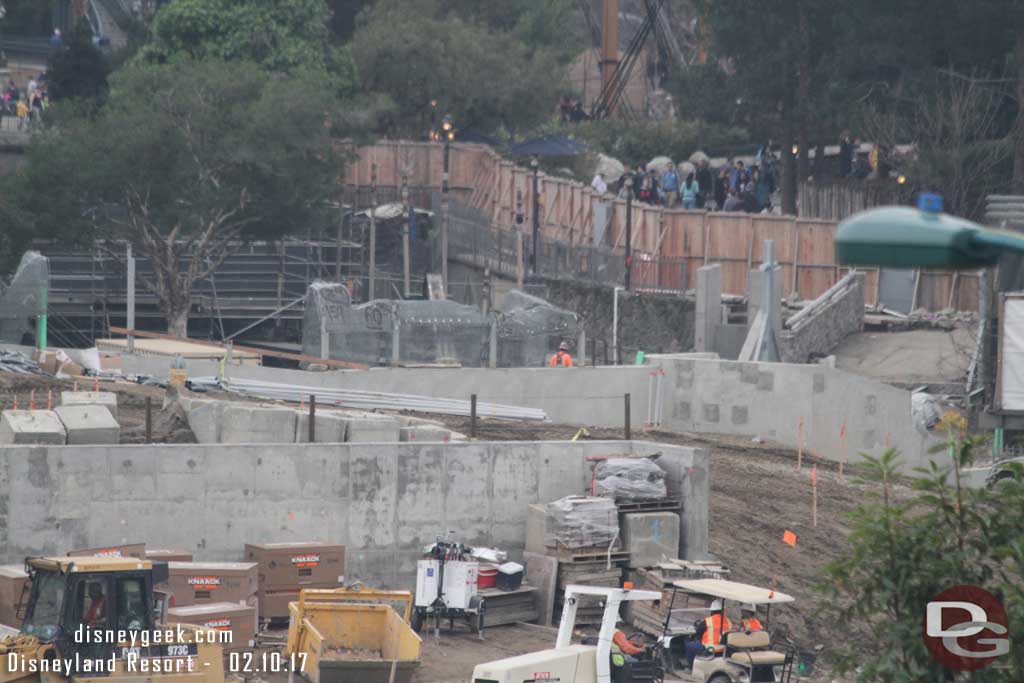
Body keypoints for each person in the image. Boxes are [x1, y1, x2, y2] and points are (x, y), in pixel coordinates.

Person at [684, 600, 731, 668]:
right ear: (722, 611)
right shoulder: (728, 621)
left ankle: (690, 668)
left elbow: (698, 632)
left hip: (710, 649)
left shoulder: (708, 621)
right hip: (724, 649)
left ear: (712, 611)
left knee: (689, 645)